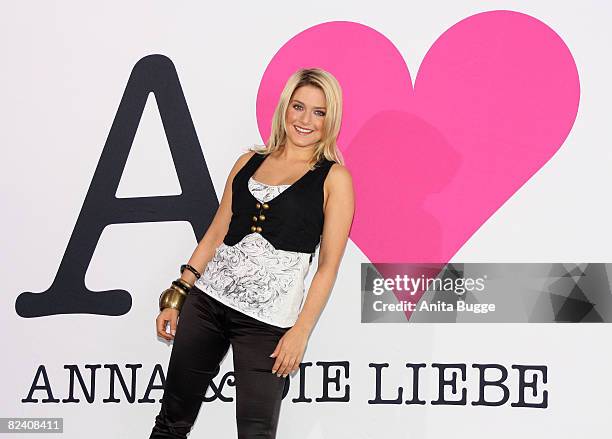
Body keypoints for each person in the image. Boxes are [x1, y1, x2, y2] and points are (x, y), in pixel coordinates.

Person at [149, 67, 355, 438]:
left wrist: (300, 332)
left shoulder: (335, 179)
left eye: (318, 112)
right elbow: (215, 233)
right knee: (171, 420)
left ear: (331, 119)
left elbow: (328, 267)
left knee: (256, 432)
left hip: (269, 323)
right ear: (285, 109)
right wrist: (177, 294)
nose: (305, 120)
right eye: (298, 107)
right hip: (207, 304)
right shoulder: (248, 162)